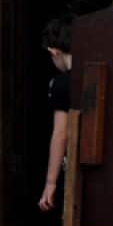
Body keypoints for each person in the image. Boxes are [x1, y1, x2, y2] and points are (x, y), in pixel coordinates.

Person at [38, 11, 74, 213]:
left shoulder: (62, 83)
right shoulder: (96, 74)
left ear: (54, 51)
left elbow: (61, 133)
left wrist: (50, 183)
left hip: (75, 167)